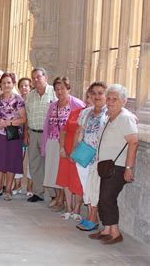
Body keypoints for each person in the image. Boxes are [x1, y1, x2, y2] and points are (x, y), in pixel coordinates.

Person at [89, 84, 138, 244]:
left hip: (118, 167)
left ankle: (115, 233)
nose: (110, 102)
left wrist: (129, 168)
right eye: (108, 98)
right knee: (104, 198)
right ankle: (107, 229)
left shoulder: (125, 117)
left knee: (107, 198)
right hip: (107, 166)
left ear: (123, 101)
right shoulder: (111, 116)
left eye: (114, 99)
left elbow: (133, 142)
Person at [42, 77, 85, 211]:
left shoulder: (77, 104)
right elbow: (47, 125)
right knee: (54, 171)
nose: (59, 92)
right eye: (57, 89)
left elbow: (86, 117)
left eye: (62, 89)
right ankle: (59, 197)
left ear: (68, 89)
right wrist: (44, 145)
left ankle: (63, 201)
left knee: (63, 172)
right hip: (53, 140)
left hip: (68, 143)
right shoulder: (53, 105)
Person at [72, 82, 108, 231]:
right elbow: (78, 131)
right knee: (87, 188)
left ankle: (92, 218)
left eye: (100, 93)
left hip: (99, 157)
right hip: (84, 156)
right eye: (94, 93)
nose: (97, 96)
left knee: (95, 188)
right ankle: (92, 216)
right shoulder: (86, 112)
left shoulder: (109, 113)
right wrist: (74, 150)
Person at [0, 73, 26, 200]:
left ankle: (8, 189)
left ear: (13, 84)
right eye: (4, 83)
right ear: (1, 85)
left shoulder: (19, 100)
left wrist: (8, 123)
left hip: (13, 134)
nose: (6, 85)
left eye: (9, 82)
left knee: (11, 161)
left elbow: (23, 119)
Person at [57, 87, 93, 221]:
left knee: (78, 179)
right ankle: (68, 208)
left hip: (81, 151)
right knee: (66, 178)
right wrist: (61, 148)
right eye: (87, 97)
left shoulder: (96, 115)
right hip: (67, 149)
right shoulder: (76, 112)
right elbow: (64, 130)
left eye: (92, 97)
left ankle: (77, 209)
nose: (89, 100)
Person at [25, 67, 57, 202]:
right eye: (34, 78)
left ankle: (55, 194)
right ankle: (38, 192)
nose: (36, 79)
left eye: (38, 76)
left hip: (48, 135)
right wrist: (26, 133)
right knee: (34, 163)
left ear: (46, 77)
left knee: (50, 164)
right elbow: (27, 115)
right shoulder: (30, 96)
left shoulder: (54, 93)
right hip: (33, 133)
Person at [17, 77, 33, 196]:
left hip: (30, 133)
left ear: (30, 87)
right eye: (21, 86)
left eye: (26, 85)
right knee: (18, 159)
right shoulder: (16, 100)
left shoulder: (32, 100)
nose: (24, 88)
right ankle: (17, 185)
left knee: (30, 160)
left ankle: (30, 186)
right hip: (17, 134)